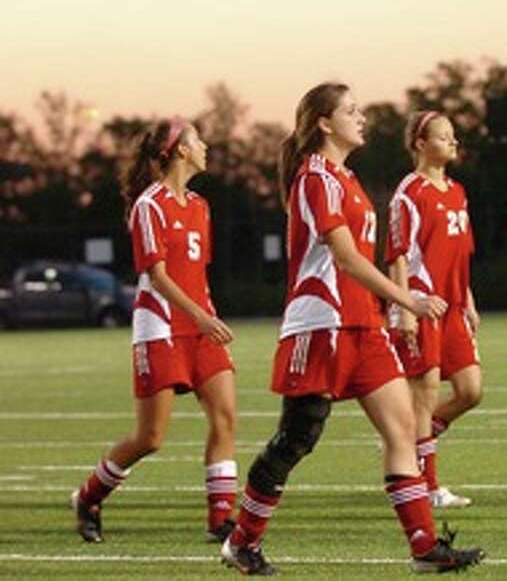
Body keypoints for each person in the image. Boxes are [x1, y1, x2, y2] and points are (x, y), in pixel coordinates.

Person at [219, 83, 483, 576]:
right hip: (321, 323)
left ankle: (425, 548)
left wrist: (388, 309)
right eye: (351, 111)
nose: (361, 118)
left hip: (363, 323)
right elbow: (345, 257)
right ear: (323, 122)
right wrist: (408, 300)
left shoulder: (347, 178)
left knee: (402, 427)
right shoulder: (315, 177)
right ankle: (242, 540)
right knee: (297, 439)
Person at [72, 118, 238, 544]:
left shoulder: (200, 205)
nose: (205, 145)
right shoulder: (150, 205)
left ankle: (220, 519)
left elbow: (197, 272)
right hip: (160, 326)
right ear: (180, 151)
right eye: (197, 140)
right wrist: (199, 316)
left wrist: (207, 316)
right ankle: (88, 497)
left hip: (201, 325)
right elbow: (159, 277)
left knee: (225, 416)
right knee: (151, 437)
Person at [385, 110, 482, 509]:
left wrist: (469, 301)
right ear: (420, 144)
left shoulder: (457, 191)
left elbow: (461, 256)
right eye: (444, 136)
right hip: (423, 303)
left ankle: (413, 440)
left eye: (453, 135)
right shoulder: (409, 193)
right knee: (424, 394)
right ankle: (428, 485)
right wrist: (407, 309)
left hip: (454, 304)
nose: (453, 142)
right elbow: (398, 256)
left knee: (471, 390)